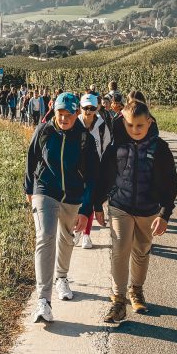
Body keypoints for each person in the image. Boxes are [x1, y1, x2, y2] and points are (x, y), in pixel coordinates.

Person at [98, 101, 177, 324]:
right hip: (120, 206)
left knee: (141, 251)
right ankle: (118, 300)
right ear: (123, 122)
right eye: (130, 125)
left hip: (148, 209)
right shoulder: (116, 146)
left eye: (140, 125)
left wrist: (164, 214)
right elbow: (104, 175)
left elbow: (170, 183)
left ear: (149, 122)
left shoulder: (160, 148)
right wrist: (96, 204)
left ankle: (136, 290)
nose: (135, 130)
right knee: (120, 250)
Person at [24, 92, 102, 323]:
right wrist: (29, 189)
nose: (64, 118)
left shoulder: (85, 139)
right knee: (45, 236)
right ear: (55, 112)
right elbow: (31, 158)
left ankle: (62, 277)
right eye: (60, 113)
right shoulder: (44, 131)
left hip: (73, 195)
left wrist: (86, 210)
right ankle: (43, 301)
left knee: (67, 238)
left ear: (77, 113)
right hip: (45, 189)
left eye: (69, 114)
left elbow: (93, 177)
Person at [77, 92, 113, 249]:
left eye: (92, 108)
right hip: (76, 168)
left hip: (94, 168)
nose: (88, 111)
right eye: (85, 108)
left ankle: (86, 234)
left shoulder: (102, 127)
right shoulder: (75, 123)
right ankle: (77, 229)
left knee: (90, 200)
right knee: (77, 201)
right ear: (80, 108)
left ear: (97, 108)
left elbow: (106, 148)